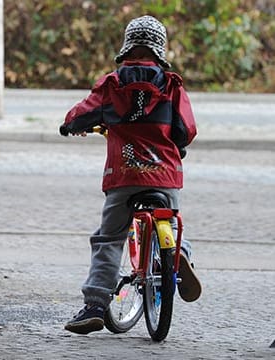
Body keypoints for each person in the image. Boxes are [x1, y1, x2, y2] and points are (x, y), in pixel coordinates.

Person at [59, 15, 201, 335]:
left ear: (127, 46)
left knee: (109, 238)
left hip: (123, 176)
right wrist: (177, 145)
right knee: (173, 222)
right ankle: (177, 256)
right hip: (164, 174)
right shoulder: (172, 85)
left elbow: (84, 113)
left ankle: (95, 304)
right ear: (160, 49)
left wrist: (70, 126)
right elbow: (186, 128)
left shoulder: (112, 84)